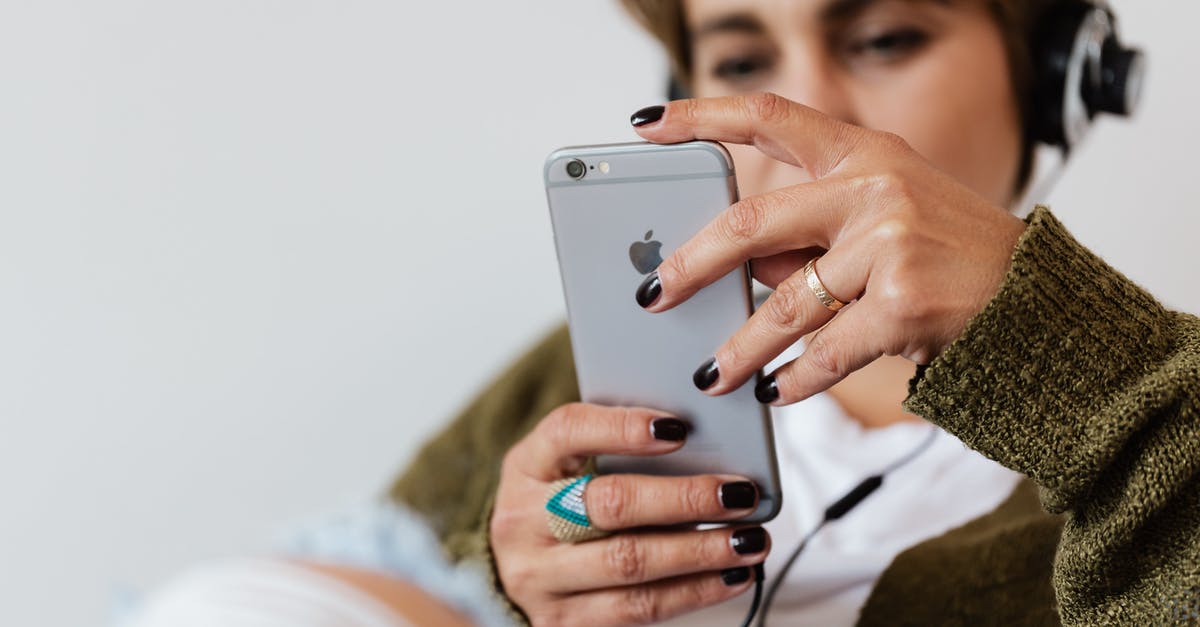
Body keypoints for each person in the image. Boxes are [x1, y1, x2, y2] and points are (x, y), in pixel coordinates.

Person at [129, 1, 1200, 626]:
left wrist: (1068, 347)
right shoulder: (619, 345)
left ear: (1055, 74)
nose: (811, 107)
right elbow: (394, 560)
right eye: (741, 62)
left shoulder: (1157, 400)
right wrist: (520, 584)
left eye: (883, 36)